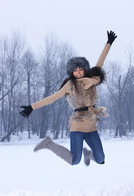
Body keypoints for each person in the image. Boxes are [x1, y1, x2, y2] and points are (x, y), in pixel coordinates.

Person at [19, 30, 117, 166]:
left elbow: (101, 60)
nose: (78, 72)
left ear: (85, 70)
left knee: (101, 159)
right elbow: (51, 98)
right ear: (72, 72)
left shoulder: (92, 79)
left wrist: (108, 43)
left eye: (80, 69)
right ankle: (48, 143)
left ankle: (88, 154)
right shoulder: (70, 85)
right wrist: (32, 107)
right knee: (74, 160)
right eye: (75, 70)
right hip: (77, 126)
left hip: (92, 126)